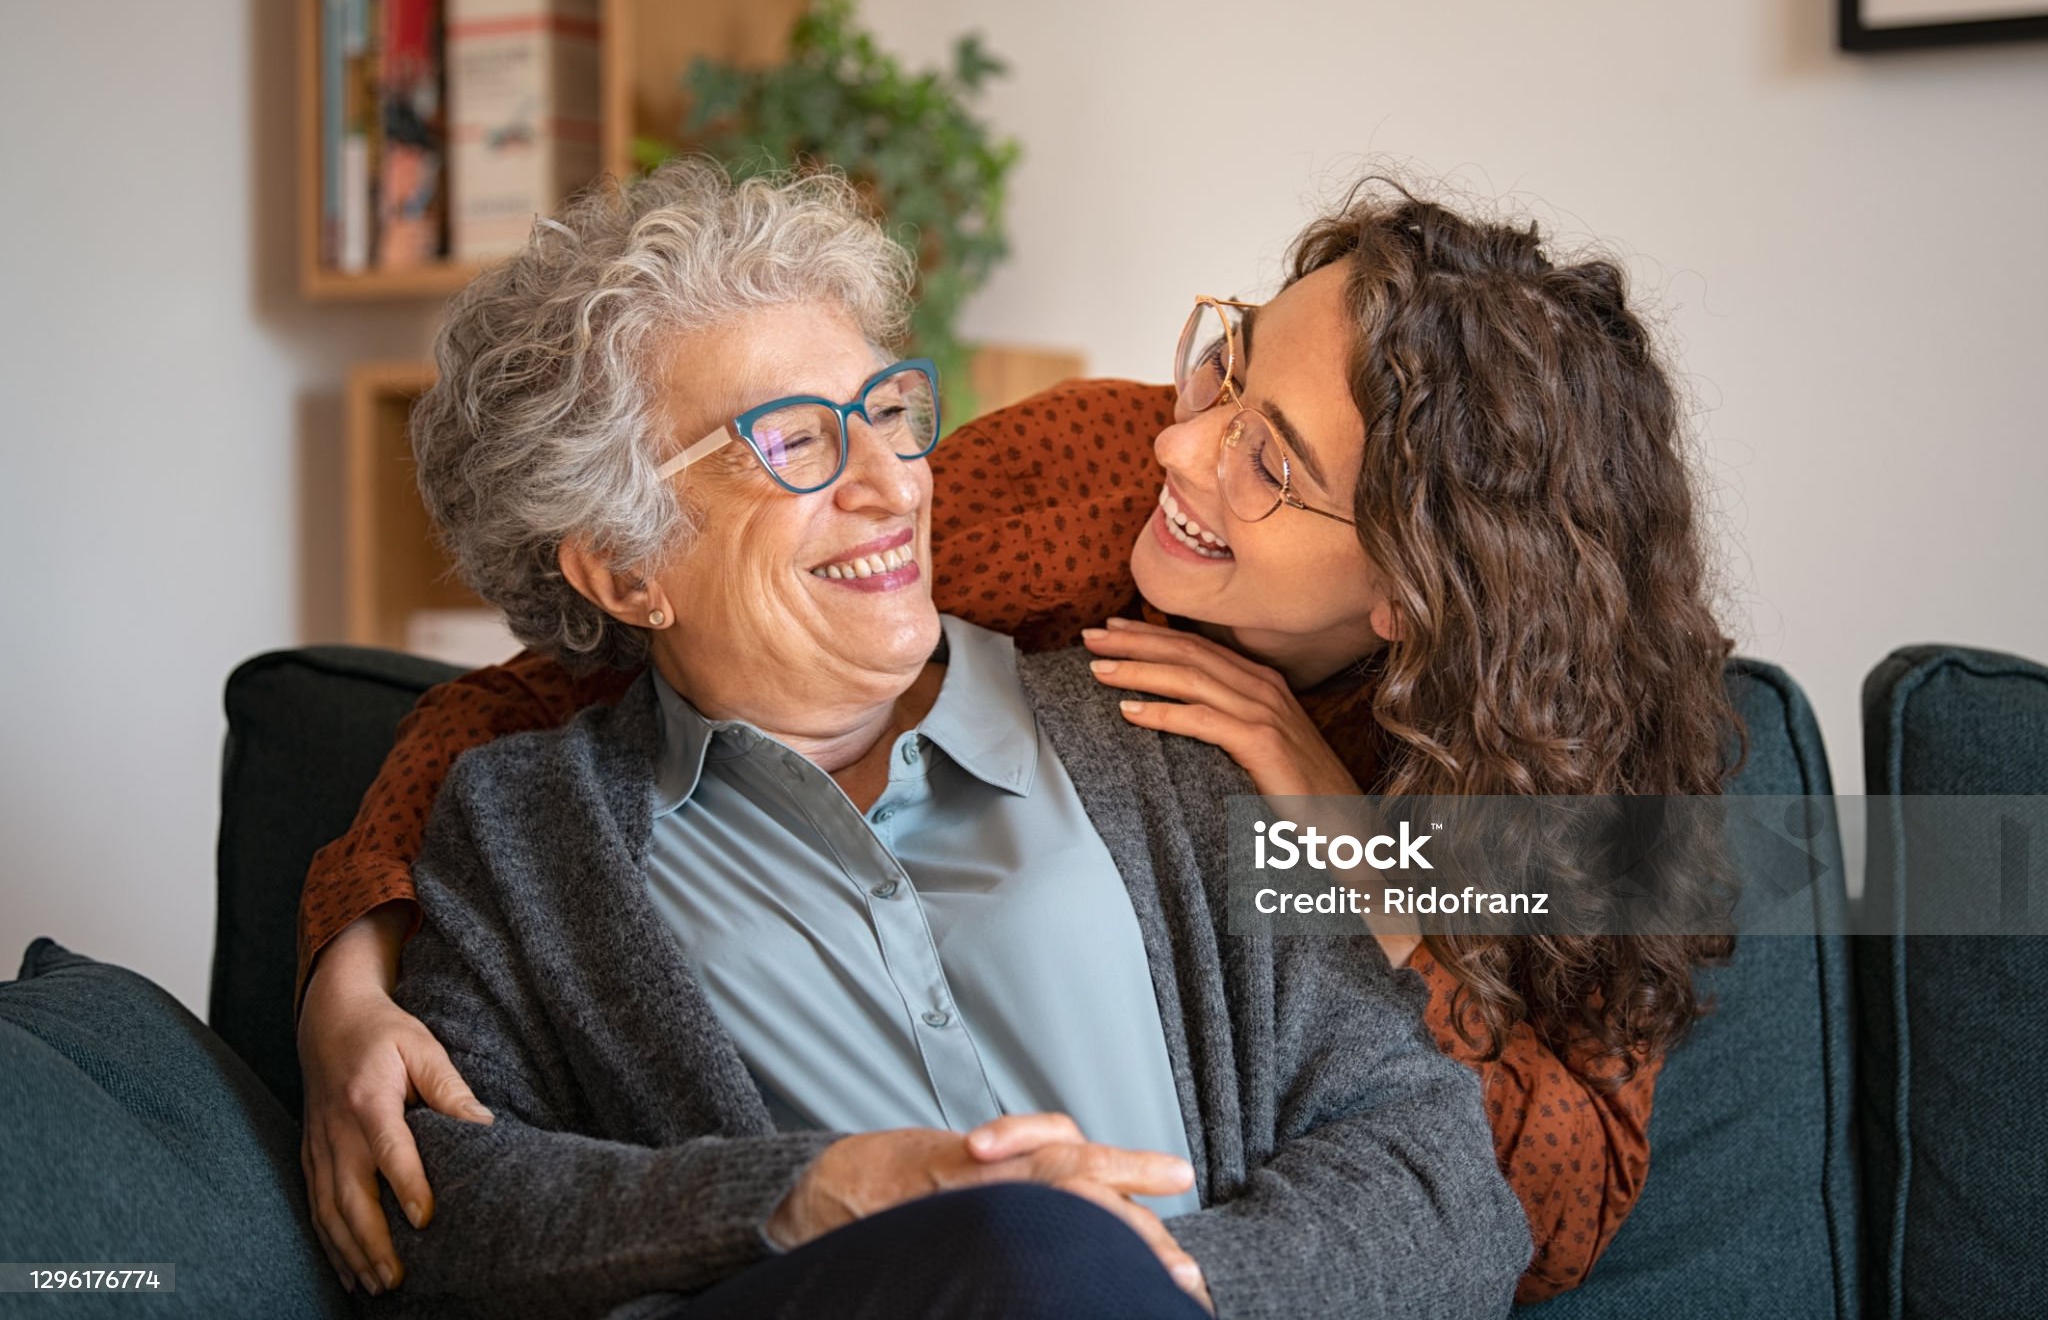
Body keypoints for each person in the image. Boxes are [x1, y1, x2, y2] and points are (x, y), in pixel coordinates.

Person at [297, 173, 1738, 1305]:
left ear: (1416, 592)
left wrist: (1364, 867)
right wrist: (347, 975)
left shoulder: (1445, 774)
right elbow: (535, 690)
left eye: (1269, 459)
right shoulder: (1092, 488)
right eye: (1226, 369)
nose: (1185, 447)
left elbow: (1501, 1196)